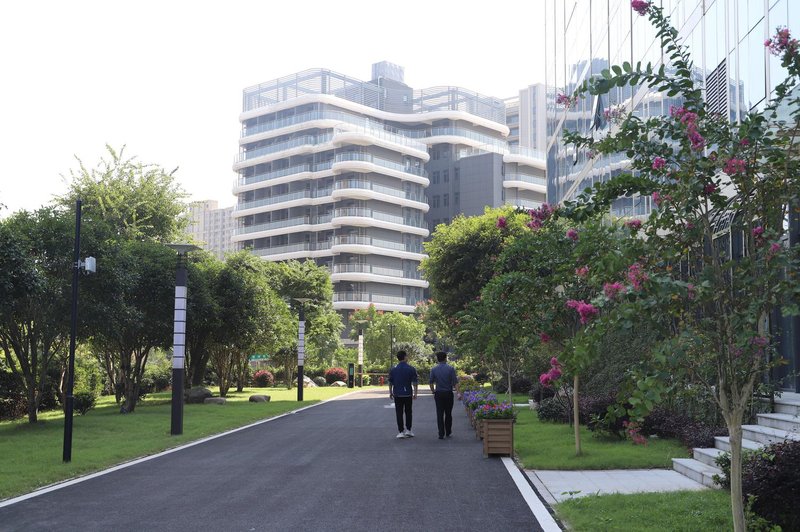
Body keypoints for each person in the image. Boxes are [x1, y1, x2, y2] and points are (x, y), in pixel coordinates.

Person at [388, 350, 418, 439]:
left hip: (397, 393)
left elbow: (390, 382)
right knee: (408, 412)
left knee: (399, 412)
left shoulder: (393, 369)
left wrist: (390, 392)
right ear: (404, 357)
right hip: (408, 393)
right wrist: (415, 393)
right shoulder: (411, 368)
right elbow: (415, 382)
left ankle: (400, 431)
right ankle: (408, 430)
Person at [429, 351, 458, 439]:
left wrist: (433, 391)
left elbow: (431, 382)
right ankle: (448, 431)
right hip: (448, 393)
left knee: (439, 413)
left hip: (439, 393)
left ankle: (441, 433)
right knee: (448, 413)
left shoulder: (433, 369)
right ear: (445, 358)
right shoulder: (451, 368)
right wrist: (458, 392)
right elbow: (455, 382)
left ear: (438, 359)